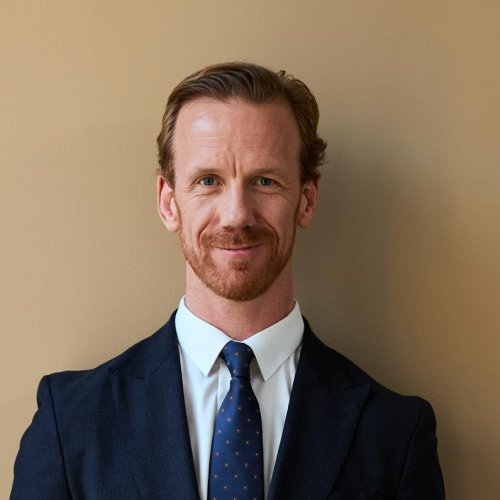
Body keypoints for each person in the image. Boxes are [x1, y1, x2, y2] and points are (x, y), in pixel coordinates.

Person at [11, 62, 445, 499]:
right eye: (208, 181)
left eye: (265, 181)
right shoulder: (69, 421)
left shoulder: (395, 435)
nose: (237, 214)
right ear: (168, 202)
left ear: (306, 200)